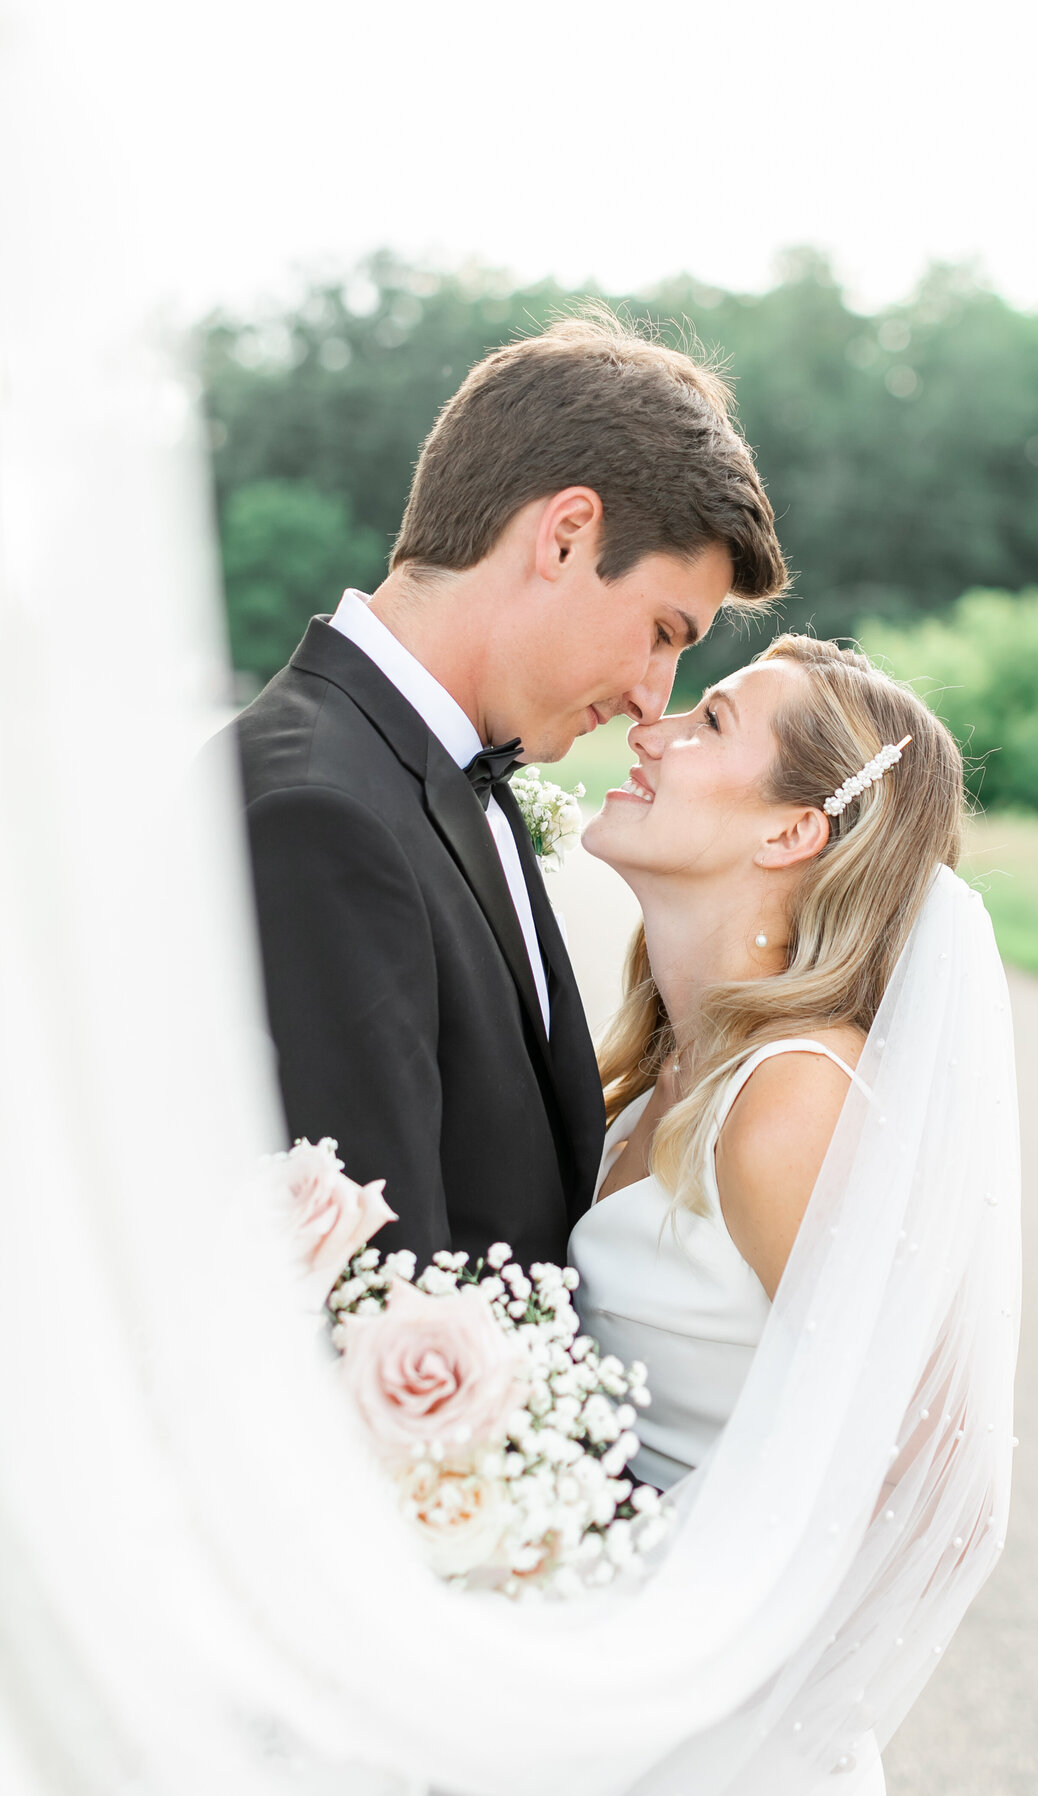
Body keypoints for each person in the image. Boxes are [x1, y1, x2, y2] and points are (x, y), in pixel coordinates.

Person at [229, 312, 788, 1272]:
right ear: (567, 536)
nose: (653, 701)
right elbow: (376, 1294)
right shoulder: (320, 817)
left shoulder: (433, 769)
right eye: (662, 632)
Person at [571, 629, 967, 1483]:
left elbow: (922, 1469)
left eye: (710, 722)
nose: (647, 731)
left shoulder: (794, 1099)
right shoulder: (668, 1066)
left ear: (791, 833)